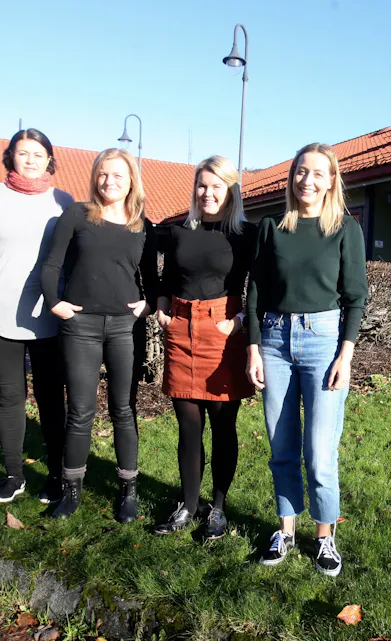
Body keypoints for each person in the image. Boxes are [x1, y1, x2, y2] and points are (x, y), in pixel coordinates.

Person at [246, 143, 367, 577]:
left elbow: (355, 296)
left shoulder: (345, 230)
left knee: (319, 452)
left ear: (332, 180)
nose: (307, 181)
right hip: (275, 341)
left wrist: (346, 355)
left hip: (324, 342)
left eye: (318, 173)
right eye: (301, 172)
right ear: (291, 178)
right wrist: (253, 347)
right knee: (281, 447)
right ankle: (286, 531)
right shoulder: (271, 227)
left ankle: (325, 538)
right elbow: (255, 291)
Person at [41, 148, 157, 522]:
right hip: (81, 328)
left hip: (125, 329)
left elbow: (152, 281)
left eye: (118, 176)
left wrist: (147, 304)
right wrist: (54, 303)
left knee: (124, 410)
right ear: (95, 178)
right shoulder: (77, 215)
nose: (110, 182)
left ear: (131, 182)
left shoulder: (143, 226)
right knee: (81, 412)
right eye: (104, 175)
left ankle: (128, 491)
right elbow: (51, 264)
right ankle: (71, 490)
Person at [0, 128, 74, 504]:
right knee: (9, 397)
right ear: (10, 156)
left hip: (49, 316)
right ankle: (14, 475)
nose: (30, 159)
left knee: (50, 398)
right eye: (22, 153)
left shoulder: (63, 200)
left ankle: (58, 475)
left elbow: (71, 259)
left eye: (37, 153)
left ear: (49, 159)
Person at [152, 156, 257, 540]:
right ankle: (188, 505)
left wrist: (241, 321)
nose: (208, 193)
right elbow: (167, 276)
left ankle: (218, 507)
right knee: (188, 424)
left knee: (222, 424)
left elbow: (261, 286)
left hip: (223, 331)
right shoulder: (179, 231)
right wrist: (162, 306)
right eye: (202, 186)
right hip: (181, 330)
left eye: (217, 186)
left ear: (232, 190)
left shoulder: (247, 234)